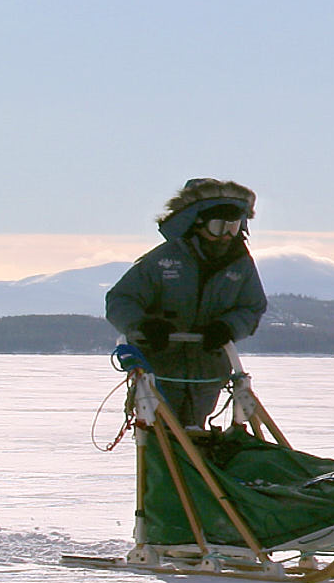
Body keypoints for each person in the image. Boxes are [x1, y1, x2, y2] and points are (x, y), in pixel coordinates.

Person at [105, 179, 269, 430]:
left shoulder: (240, 263)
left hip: (208, 368)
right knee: (160, 431)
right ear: (198, 224)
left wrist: (227, 328)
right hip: (160, 366)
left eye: (233, 226)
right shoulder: (164, 259)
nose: (226, 235)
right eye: (218, 226)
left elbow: (252, 306)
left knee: (196, 430)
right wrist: (144, 325)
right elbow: (121, 300)